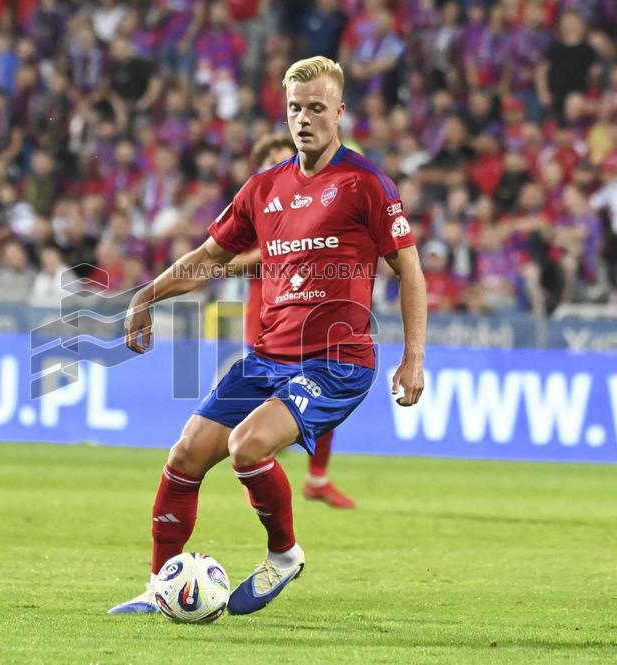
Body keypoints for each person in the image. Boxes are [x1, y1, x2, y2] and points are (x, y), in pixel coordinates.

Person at [110, 56, 426, 616]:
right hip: (266, 357)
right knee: (185, 455)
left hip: (337, 360)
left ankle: (283, 553)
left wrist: (413, 358)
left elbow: (411, 271)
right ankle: (158, 583)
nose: (305, 119)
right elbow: (209, 258)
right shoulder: (263, 189)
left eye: (318, 109)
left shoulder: (366, 184)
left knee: (248, 446)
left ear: (340, 113)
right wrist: (145, 296)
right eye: (295, 109)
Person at [229, 133, 358, 509]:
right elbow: (228, 264)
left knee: (327, 398)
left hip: (314, 324)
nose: (278, 165)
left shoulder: (319, 205)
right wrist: (271, 253)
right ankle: (253, 476)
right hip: (266, 327)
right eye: (269, 158)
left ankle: (317, 478)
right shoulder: (255, 208)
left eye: (283, 158)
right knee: (257, 408)